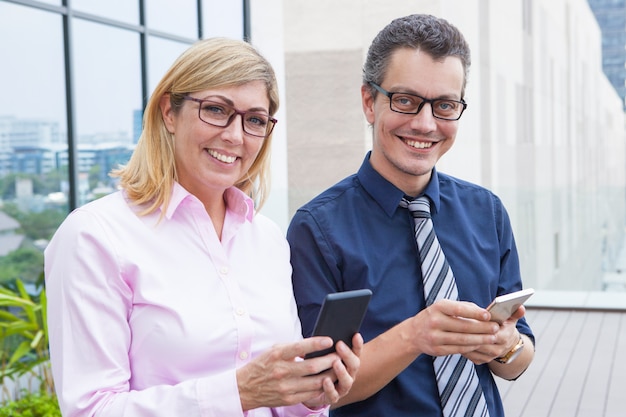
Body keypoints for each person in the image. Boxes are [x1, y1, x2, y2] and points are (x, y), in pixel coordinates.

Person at [44, 37, 362, 417]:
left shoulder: (267, 239)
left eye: (255, 120)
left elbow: (280, 401)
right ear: (169, 112)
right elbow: (91, 410)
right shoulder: (94, 236)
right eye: (215, 109)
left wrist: (309, 396)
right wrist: (237, 393)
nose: (235, 136)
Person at [287, 14, 535, 417]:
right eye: (405, 100)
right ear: (370, 102)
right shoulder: (317, 230)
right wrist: (415, 336)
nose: (425, 124)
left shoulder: (486, 212)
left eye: (444, 105)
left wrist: (504, 346)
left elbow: (520, 359)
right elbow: (318, 389)